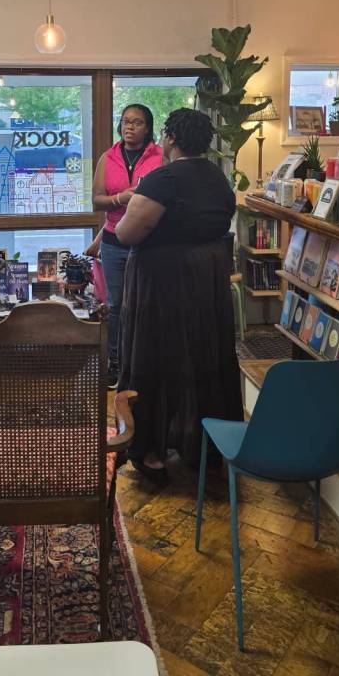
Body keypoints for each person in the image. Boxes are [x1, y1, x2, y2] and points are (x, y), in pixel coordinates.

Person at [115, 108, 243, 483]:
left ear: (170, 138)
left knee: (154, 360)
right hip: (207, 282)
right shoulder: (218, 178)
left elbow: (126, 233)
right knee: (204, 360)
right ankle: (203, 446)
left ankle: (150, 449)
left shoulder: (164, 179)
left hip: (164, 283)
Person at [85, 104, 162, 388]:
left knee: (146, 301)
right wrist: (121, 198)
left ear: (147, 127)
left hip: (149, 239)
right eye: (126, 121)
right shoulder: (108, 157)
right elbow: (96, 200)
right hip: (114, 241)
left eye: (137, 122)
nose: (129, 127)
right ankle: (115, 362)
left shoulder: (160, 157)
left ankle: (145, 361)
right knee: (116, 304)